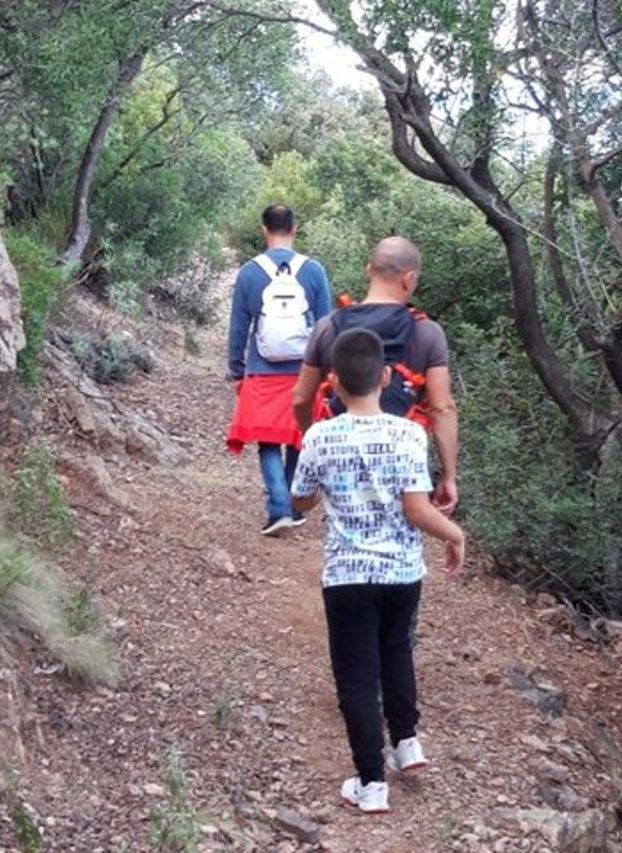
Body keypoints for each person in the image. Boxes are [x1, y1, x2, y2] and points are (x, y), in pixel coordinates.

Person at [291, 327, 466, 813]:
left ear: (333, 382)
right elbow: (416, 508)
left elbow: (300, 500)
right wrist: (453, 534)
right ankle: (407, 743)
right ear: (385, 376)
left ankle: (371, 784)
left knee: (356, 677)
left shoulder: (320, 436)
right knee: (396, 651)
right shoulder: (410, 433)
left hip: (347, 575)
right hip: (402, 572)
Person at [291, 236, 458, 516]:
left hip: (342, 463)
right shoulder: (428, 333)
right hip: (402, 468)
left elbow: (300, 397)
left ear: (369, 270)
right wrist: (449, 476)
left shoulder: (327, 327)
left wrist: (315, 441)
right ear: (409, 278)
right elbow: (442, 407)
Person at [227, 204, 332, 535]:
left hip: (262, 370)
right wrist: (326, 372)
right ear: (294, 229)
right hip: (306, 371)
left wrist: (237, 369)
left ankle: (279, 508)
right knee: (299, 437)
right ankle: (292, 505)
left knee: (268, 441)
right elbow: (325, 325)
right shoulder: (314, 271)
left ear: (263, 230)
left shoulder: (249, 272)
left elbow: (239, 327)